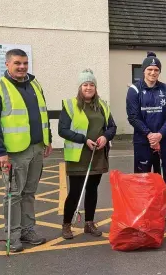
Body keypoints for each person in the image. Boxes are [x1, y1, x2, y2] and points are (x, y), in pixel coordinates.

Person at [0, 49, 53, 252]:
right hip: (14, 152)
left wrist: (47, 140)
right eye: (17, 63)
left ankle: (28, 231)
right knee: (13, 195)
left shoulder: (34, 84)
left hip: (36, 148)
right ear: (7, 64)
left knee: (29, 193)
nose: (22, 67)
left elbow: (43, 113)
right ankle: (12, 237)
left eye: (25, 63)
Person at [59, 69, 117, 239]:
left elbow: (112, 127)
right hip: (78, 156)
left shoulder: (103, 105)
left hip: (97, 154)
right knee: (75, 191)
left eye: (92, 84)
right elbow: (62, 130)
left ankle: (89, 223)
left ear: (95, 87)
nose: (88, 87)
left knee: (92, 189)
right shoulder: (70, 105)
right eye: (85, 84)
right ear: (80, 87)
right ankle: (67, 224)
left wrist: (105, 137)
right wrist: (84, 140)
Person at [126, 52, 166, 223]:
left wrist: (160, 135)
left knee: (163, 178)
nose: (153, 73)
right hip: (143, 142)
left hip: (163, 141)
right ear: (143, 71)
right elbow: (133, 117)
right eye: (149, 69)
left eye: (156, 70)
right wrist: (149, 134)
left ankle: (163, 211)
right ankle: (143, 213)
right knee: (143, 179)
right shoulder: (134, 90)